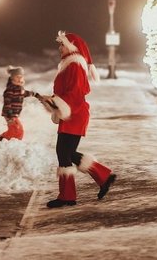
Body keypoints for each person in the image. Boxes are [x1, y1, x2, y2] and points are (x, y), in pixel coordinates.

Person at [39, 31, 116, 208]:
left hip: (74, 113)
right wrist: (51, 100)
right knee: (67, 153)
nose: (60, 48)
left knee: (63, 153)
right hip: (72, 113)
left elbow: (74, 93)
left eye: (62, 44)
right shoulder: (70, 64)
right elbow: (66, 93)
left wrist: (54, 102)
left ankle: (67, 197)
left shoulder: (74, 64)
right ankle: (103, 177)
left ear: (71, 46)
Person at [0, 66, 36, 142]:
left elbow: (24, 93)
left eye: (21, 77)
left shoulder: (20, 88)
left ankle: (14, 140)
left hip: (14, 113)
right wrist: (9, 112)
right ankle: (1, 139)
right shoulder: (10, 89)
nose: (19, 79)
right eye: (17, 77)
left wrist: (32, 94)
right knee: (16, 129)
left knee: (17, 129)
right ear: (12, 78)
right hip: (9, 113)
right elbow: (7, 101)